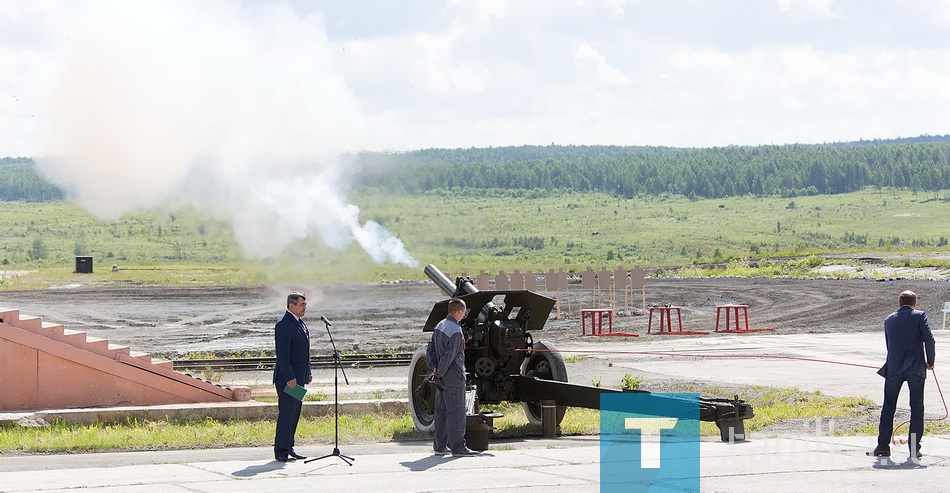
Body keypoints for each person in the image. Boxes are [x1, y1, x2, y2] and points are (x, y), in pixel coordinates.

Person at [874, 290, 935, 459]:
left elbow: (889, 344)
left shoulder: (889, 319)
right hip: (916, 368)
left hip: (893, 368)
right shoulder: (920, 316)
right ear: (914, 303)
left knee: (888, 407)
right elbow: (929, 339)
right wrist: (930, 361)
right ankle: (914, 448)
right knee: (916, 408)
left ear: (899, 303)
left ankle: (883, 446)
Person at [426, 297, 479, 457]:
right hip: (453, 378)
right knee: (456, 413)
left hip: (440, 377)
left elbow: (430, 349)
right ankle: (458, 447)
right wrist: (440, 371)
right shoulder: (456, 330)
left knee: (441, 412)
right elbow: (450, 355)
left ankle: (440, 447)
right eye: (463, 312)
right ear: (458, 311)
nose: (464, 315)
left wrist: (434, 369)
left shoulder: (440, 325)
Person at [273, 291, 313, 462]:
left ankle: (290, 446)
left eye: (305, 304)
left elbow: (305, 352)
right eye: (302, 304)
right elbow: (282, 355)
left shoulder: (300, 323)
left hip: (299, 378)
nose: (305, 307)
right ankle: (281, 450)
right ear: (291, 306)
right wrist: (290, 377)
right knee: (286, 413)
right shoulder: (283, 324)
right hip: (288, 380)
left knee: (295, 412)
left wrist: (308, 372)